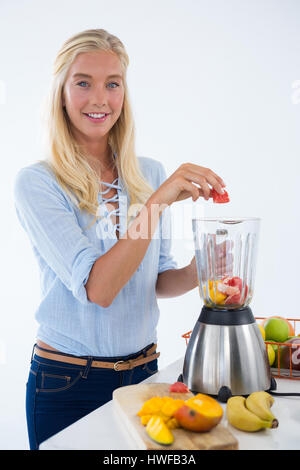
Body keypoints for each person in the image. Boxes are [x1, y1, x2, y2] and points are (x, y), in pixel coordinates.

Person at [13, 29, 226, 450]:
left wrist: (200, 270)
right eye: (83, 82)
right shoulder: (38, 183)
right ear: (60, 91)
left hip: (145, 376)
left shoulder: (145, 174)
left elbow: (152, 278)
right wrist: (159, 201)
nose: (100, 99)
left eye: (113, 83)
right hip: (67, 385)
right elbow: (101, 288)